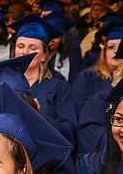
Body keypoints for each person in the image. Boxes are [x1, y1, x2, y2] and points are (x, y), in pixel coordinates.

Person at [8, 13, 77, 145]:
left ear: (44, 56)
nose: (24, 52)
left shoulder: (59, 87)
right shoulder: (2, 83)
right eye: (20, 46)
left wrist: (41, 118)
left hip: (46, 160)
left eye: (32, 48)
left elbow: (69, 132)